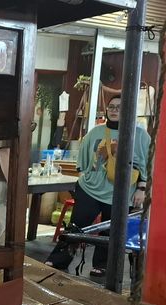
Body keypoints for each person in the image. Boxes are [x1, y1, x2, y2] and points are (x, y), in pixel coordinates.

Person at [45, 95, 149, 276]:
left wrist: (142, 188)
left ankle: (101, 265)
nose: (114, 110)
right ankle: (59, 258)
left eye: (119, 107)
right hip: (91, 189)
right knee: (77, 226)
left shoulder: (139, 135)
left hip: (120, 192)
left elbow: (148, 163)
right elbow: (83, 161)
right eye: (111, 107)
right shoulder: (96, 132)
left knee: (110, 230)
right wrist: (90, 171)